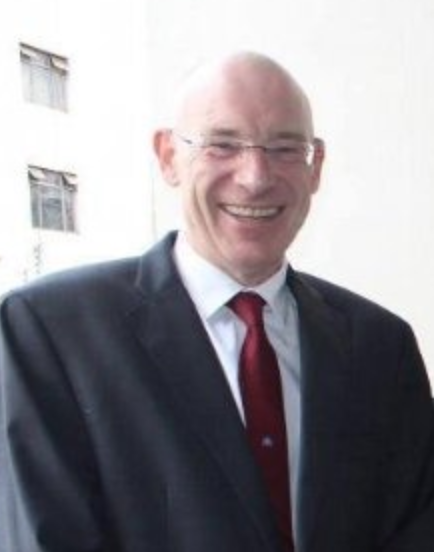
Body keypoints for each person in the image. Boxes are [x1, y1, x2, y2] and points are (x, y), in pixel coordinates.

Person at [1, 51, 434, 552]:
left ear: (315, 167)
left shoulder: (380, 346)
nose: (256, 176)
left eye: (284, 148)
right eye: (223, 145)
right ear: (169, 156)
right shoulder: (51, 332)